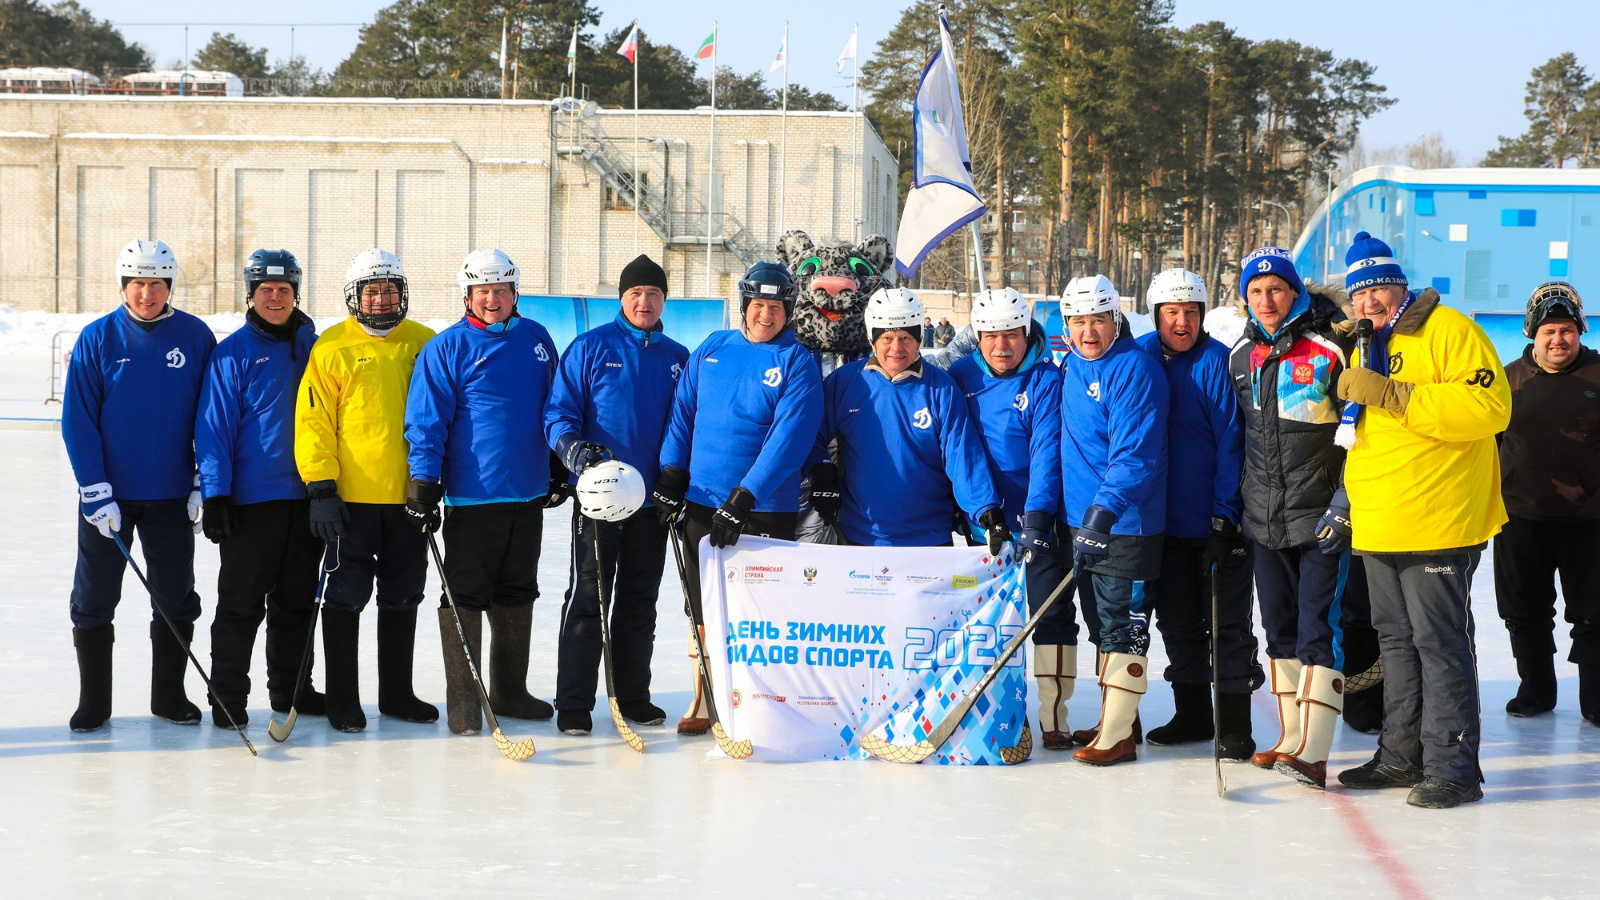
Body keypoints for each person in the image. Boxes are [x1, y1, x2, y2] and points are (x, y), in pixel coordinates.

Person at [1327, 231, 1510, 808]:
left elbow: (1490, 408)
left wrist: (1393, 394)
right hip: (1381, 521)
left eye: (1378, 289)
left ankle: (1453, 766)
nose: (1369, 302)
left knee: (1439, 642)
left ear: (1399, 286)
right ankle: (1401, 755)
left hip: (1438, 516)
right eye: (1359, 294)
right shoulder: (1364, 343)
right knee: (1398, 644)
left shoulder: (1450, 331)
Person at [657, 260, 823, 735]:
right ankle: (704, 697)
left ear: (787, 310)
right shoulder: (713, 347)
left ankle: (755, 702)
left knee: (759, 609)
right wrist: (672, 472)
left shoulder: (797, 362)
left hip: (762, 510)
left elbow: (789, 440)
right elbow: (682, 413)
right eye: (757, 305)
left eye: (775, 307)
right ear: (744, 306)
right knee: (701, 603)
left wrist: (745, 498)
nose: (765, 315)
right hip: (702, 502)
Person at [405, 249, 565, 735]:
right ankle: (464, 701)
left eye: (501, 290)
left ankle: (510, 691)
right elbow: (427, 420)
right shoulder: (447, 347)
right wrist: (424, 479)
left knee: (518, 590)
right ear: (468, 296)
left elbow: (554, 406)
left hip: (528, 492)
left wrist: (558, 468)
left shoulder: (537, 339)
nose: (492, 300)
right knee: (466, 595)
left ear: (515, 293)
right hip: (473, 496)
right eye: (483, 292)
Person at [62, 239, 216, 732]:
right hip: (109, 501)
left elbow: (209, 417)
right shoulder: (98, 338)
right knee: (94, 598)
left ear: (169, 286)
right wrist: (94, 489)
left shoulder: (194, 336)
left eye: (155, 284)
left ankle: (169, 696)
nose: (146, 293)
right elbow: (78, 421)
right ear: (123, 286)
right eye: (137, 283)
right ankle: (95, 702)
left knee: (175, 596)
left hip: (170, 497)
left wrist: (200, 480)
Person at [1227, 247, 1360, 787]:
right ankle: (1289, 737)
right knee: (1278, 630)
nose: (1266, 300)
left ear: (1296, 292)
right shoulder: (1241, 356)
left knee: (1317, 630)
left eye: (1276, 289)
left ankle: (1316, 748)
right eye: (1256, 292)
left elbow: (1361, 434)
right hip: (1263, 519)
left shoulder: (1333, 348)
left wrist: (1345, 502)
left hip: (1321, 516)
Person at [294, 249, 439, 733]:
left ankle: (397, 694)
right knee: (345, 598)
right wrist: (320, 487)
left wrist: (435, 483)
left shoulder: (425, 343)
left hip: (408, 499)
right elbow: (314, 422)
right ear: (354, 297)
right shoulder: (331, 347)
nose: (381, 299)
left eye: (389, 289)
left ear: (402, 293)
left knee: (403, 596)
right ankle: (343, 699)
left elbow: (441, 418)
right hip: (349, 503)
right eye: (371, 291)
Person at [545, 254, 690, 737]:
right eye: (635, 294)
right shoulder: (590, 347)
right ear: (622, 298)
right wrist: (574, 452)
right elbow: (558, 415)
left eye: (653, 294)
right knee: (588, 597)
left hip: (653, 503)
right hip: (601, 499)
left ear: (664, 299)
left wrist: (676, 478)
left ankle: (632, 695)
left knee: (638, 601)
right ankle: (574, 702)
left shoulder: (676, 357)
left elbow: (687, 423)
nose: (644, 302)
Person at [1136, 268, 1260, 759]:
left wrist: (1224, 516)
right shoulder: (1141, 356)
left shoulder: (1216, 363)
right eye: (1172, 313)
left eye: (1191, 313)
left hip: (1214, 525)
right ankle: (1192, 713)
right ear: (1157, 316)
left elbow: (1233, 443)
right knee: (1179, 624)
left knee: (1226, 625)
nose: (1182, 322)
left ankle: (1234, 725)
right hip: (1161, 525)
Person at [195, 249, 321, 728]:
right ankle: (228, 696)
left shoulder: (314, 345)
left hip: (307, 499)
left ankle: (291, 692)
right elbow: (213, 429)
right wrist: (217, 494)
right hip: (252, 503)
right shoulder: (232, 354)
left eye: (284, 290)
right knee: (241, 606)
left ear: (295, 294)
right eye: (265, 290)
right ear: (250, 294)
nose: (275, 298)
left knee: (296, 604)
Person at [947, 287, 1078, 749]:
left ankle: (1054, 717)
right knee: (988, 621)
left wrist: (1038, 519)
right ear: (977, 337)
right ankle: (996, 706)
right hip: (983, 522)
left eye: (1011, 336)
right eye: (991, 336)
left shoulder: (1045, 379)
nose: (1001, 346)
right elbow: (954, 448)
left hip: (1039, 519)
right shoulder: (959, 376)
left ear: (1027, 334)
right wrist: (974, 513)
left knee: (1050, 615)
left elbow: (1047, 454)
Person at [1054, 275, 1169, 767]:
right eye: (1078, 322)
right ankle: (1116, 718)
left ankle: (1118, 736)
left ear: (1115, 319)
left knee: (1124, 627)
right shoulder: (1070, 366)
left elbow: (1135, 455)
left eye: (1098, 320)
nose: (1089, 332)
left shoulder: (1134, 370)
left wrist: (1103, 514)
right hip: (1085, 525)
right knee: (1101, 626)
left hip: (1127, 525)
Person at [807, 287, 1006, 553]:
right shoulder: (845, 382)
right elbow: (810, 434)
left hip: (929, 539)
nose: (896, 348)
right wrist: (821, 472)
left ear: (919, 338)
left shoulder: (942, 389)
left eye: (905, 337)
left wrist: (987, 512)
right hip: (859, 537)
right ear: (872, 338)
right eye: (887, 337)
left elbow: (963, 459)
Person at [1496, 282, 1600, 725]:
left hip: (1590, 519)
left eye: (1566, 330)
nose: (1558, 339)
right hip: (1520, 516)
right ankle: (1535, 690)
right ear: (1531, 334)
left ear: (1579, 331)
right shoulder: (1506, 380)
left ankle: (1595, 700)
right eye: (1549, 331)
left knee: (1594, 614)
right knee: (1524, 612)